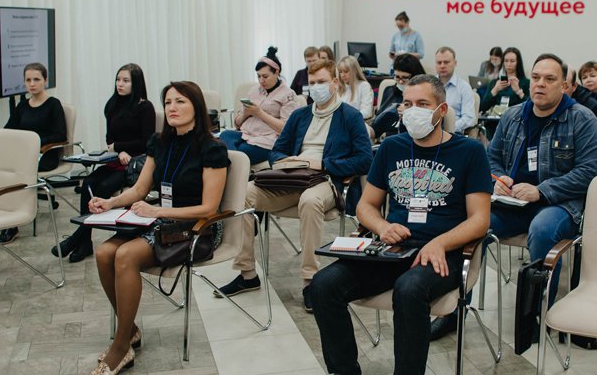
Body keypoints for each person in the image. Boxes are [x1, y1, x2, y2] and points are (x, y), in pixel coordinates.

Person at [309, 74, 492, 375]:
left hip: (443, 252)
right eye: (407, 103)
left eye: (423, 104)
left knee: (409, 290)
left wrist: (440, 243)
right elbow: (366, 206)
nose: (412, 110)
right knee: (323, 285)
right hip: (392, 248)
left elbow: (480, 220)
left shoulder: (469, 151)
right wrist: (382, 227)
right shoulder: (391, 147)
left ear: (442, 110)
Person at [89, 81, 229, 375]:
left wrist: (158, 211)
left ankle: (120, 347)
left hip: (197, 228)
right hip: (159, 220)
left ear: (196, 107)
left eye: (180, 102)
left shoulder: (212, 148)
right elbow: (139, 189)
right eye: (167, 103)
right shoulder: (160, 142)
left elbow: (209, 208)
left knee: (125, 255)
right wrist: (109, 202)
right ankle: (130, 331)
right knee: (103, 253)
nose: (172, 108)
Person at [217, 59, 373, 312]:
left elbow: (365, 160)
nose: (316, 87)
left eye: (322, 82)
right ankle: (247, 273)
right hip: (293, 177)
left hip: (326, 180)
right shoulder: (300, 115)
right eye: (312, 82)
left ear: (335, 83)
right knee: (243, 194)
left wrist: (324, 164)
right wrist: (288, 161)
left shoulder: (350, 117)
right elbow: (276, 150)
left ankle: (311, 280)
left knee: (309, 201)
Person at [487, 53, 597, 307]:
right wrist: (498, 179)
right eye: (536, 77)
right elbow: (491, 158)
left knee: (542, 230)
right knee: (470, 222)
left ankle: (535, 314)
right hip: (512, 202)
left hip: (559, 204)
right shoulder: (512, 116)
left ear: (564, 86)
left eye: (549, 79)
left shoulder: (582, 119)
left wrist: (540, 191)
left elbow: (589, 173)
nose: (540, 84)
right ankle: (453, 311)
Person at [51, 63, 155, 263]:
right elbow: (110, 139)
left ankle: (78, 238)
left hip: (135, 164)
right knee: (88, 184)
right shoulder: (112, 105)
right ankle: (84, 241)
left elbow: (147, 141)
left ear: (136, 83)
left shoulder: (145, 107)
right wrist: (119, 149)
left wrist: (120, 147)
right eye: (118, 80)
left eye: (125, 81)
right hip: (116, 160)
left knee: (104, 187)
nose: (120, 84)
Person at [0, 62, 67, 244]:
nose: (32, 84)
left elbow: (61, 135)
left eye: (36, 79)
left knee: (12, 172)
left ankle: (11, 225)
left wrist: (32, 141)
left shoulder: (53, 104)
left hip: (45, 155)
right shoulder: (22, 106)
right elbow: (8, 129)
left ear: (45, 81)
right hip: (23, 156)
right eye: (28, 80)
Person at [219, 47, 299, 165]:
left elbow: (286, 129)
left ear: (277, 73)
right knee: (225, 135)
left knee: (239, 151)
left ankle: (230, 163)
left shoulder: (288, 95)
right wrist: (245, 113)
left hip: (267, 140)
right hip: (245, 135)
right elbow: (237, 124)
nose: (261, 80)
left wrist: (260, 113)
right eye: (258, 76)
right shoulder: (254, 90)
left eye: (265, 76)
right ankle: (232, 162)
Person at [565, 65, 597, 170]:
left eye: (564, 86)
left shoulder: (590, 108)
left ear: (574, 86)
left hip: (583, 166)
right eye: (584, 77)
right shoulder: (536, 106)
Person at [371, 54, 426, 138]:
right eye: (397, 77)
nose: (400, 82)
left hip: (410, 140)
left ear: (415, 76)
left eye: (405, 77)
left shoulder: (425, 96)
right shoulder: (389, 91)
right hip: (385, 139)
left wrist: (409, 114)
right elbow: (377, 124)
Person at [435, 46, 476, 133]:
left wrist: (449, 128)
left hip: (454, 133)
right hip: (429, 132)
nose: (442, 66)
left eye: (446, 62)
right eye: (439, 63)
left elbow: (469, 118)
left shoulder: (464, 87)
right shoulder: (428, 85)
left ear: (455, 63)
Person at [480, 47, 530, 114]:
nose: (508, 64)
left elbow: (530, 108)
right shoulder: (494, 83)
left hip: (516, 118)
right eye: (506, 61)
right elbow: (483, 107)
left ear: (518, 63)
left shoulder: (526, 83)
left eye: (512, 61)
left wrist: (518, 91)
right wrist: (495, 90)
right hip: (496, 118)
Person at [337, 55, 374, 120]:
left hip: (358, 122)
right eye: (340, 72)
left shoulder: (364, 86)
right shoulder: (340, 87)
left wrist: (348, 117)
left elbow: (367, 112)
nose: (342, 75)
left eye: (346, 71)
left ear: (354, 71)